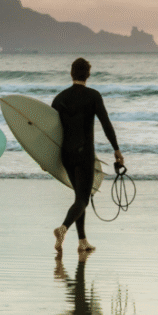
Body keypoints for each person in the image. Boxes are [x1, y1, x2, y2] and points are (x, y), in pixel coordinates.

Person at [52, 57, 124, 253]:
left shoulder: (59, 98)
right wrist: (116, 149)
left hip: (66, 154)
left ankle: (82, 241)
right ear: (89, 75)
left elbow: (50, 132)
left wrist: (48, 159)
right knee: (83, 198)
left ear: (71, 73)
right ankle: (63, 228)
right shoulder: (93, 96)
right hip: (84, 154)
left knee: (79, 197)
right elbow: (106, 124)